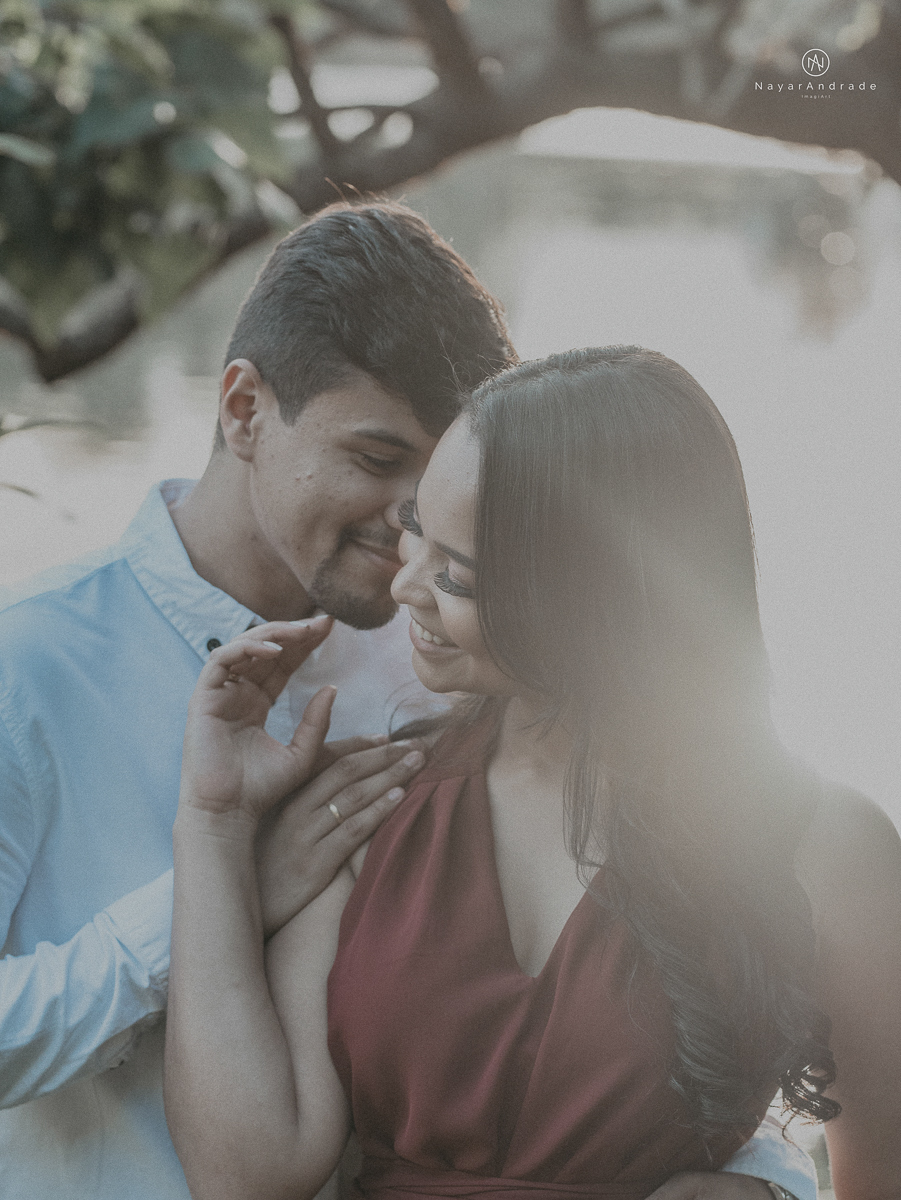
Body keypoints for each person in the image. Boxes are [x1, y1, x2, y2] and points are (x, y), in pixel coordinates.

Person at [164, 349, 893, 1200]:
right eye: (413, 531)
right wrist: (212, 822)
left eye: (455, 574)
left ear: (588, 596)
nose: (404, 586)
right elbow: (248, 1174)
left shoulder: (829, 849)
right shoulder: (380, 796)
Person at [0, 201, 515, 1199]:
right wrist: (215, 897)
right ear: (243, 410)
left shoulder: (446, 673)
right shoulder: (30, 662)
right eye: (376, 459)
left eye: (443, 474)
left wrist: (757, 1172)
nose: (414, 519)